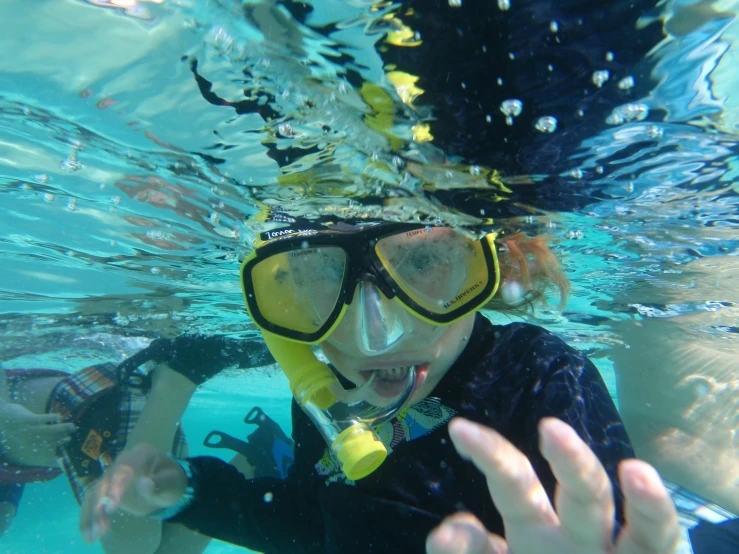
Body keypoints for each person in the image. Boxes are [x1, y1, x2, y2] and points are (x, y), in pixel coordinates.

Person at [78, 219, 683, 554]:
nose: (375, 339)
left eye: (422, 262)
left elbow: (611, 533)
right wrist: (194, 490)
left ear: (486, 263)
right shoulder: (322, 391)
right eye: (319, 275)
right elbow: (318, 525)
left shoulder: (541, 376)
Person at [0, 335, 275, 553]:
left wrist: (3, 415)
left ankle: (179, 376)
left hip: (87, 411)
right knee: (167, 546)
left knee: (132, 547)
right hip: (129, 416)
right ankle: (255, 459)